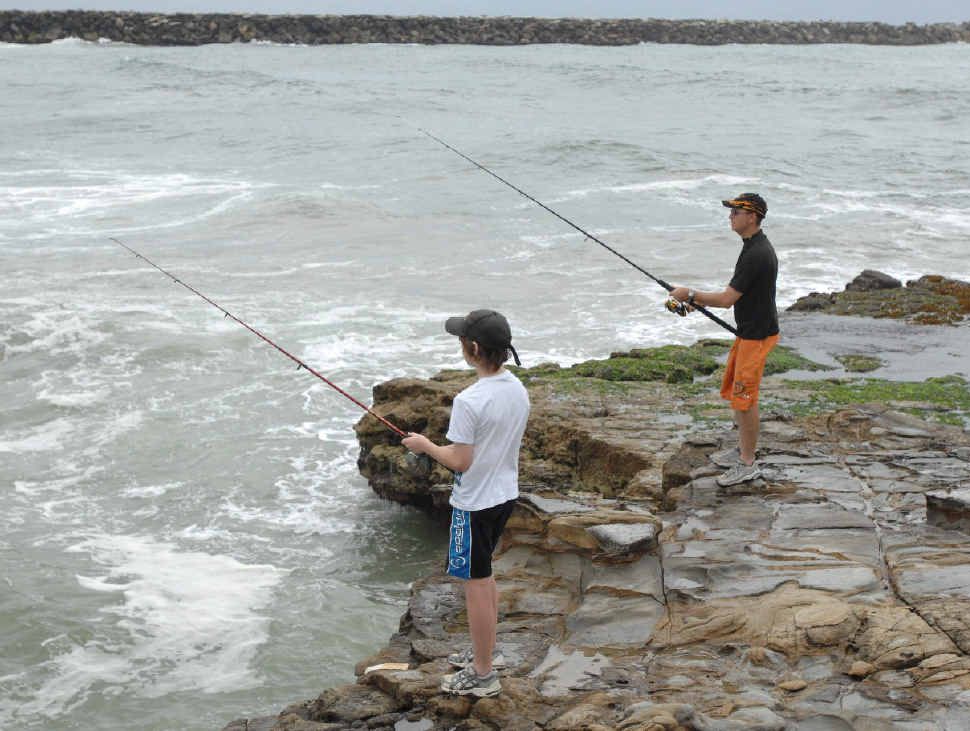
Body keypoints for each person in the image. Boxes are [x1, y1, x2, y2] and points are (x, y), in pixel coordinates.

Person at [402, 309, 530, 698]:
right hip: (505, 495)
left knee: (475, 584)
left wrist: (425, 446)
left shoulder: (469, 400)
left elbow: (460, 461)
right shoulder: (516, 389)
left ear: (473, 348)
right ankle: (486, 652)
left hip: (474, 504)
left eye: (461, 340)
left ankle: (483, 673)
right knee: (485, 575)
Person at [670, 193, 779, 487]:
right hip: (749, 333)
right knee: (738, 395)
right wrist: (697, 301)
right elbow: (738, 295)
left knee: (745, 400)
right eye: (731, 211)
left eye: (735, 212)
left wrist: (690, 294)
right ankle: (744, 451)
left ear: (752, 217)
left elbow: (728, 299)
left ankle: (747, 463)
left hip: (756, 336)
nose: (730, 216)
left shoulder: (757, 253)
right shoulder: (752, 247)